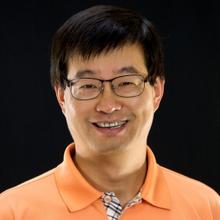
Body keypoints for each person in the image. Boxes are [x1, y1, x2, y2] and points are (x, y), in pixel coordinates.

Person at [0, 5, 219, 220]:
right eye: (88, 85)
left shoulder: (207, 208)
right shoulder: (12, 211)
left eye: (125, 83)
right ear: (61, 97)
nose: (107, 105)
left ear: (157, 92)